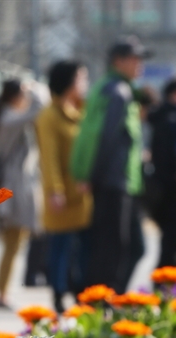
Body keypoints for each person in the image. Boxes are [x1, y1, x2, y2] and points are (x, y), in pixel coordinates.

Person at [70, 36, 150, 294]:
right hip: (113, 181)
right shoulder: (117, 92)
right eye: (135, 59)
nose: (140, 65)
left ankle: (108, 299)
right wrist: (91, 176)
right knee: (113, 247)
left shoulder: (112, 88)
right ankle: (99, 302)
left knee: (130, 246)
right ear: (119, 61)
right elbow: (103, 137)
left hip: (120, 181)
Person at [35, 60, 92, 312]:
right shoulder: (49, 116)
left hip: (82, 194)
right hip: (63, 195)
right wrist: (55, 191)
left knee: (79, 249)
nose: (84, 84)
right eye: (81, 78)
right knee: (60, 248)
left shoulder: (82, 111)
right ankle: (58, 293)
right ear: (69, 82)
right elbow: (50, 158)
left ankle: (79, 292)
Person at [0, 79, 48, 309]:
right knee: (13, 242)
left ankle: (2, 291)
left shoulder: (8, 116)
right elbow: (39, 109)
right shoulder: (9, 117)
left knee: (14, 242)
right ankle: (1, 293)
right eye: (23, 93)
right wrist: (36, 87)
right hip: (12, 188)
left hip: (18, 185)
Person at [147, 76, 176, 268]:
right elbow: (174, 157)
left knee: (170, 240)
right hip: (173, 190)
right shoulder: (172, 120)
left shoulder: (161, 117)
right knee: (175, 242)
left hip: (161, 188)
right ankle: (168, 285)